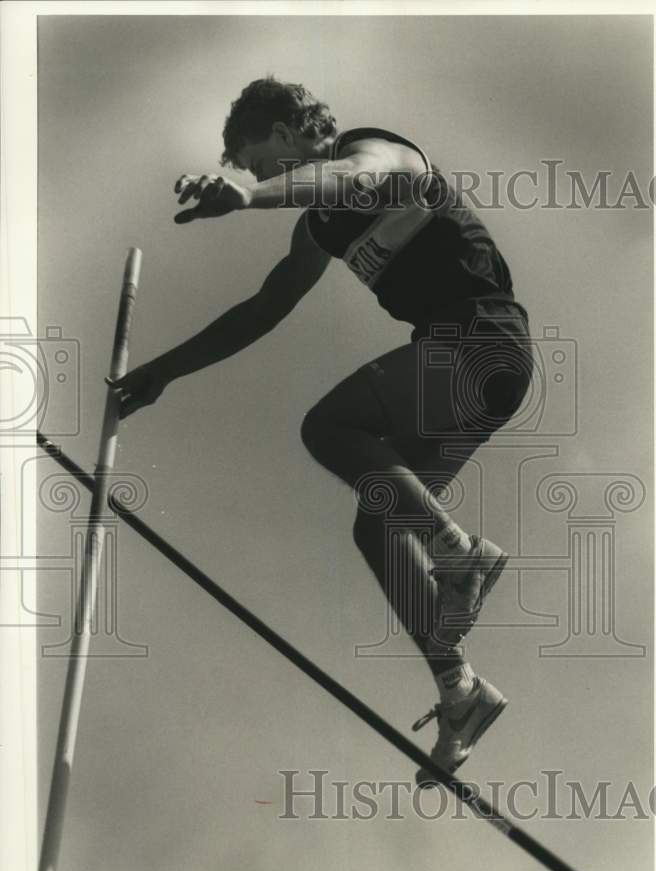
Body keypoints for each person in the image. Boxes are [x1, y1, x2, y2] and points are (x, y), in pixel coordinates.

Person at [109, 77, 534, 786]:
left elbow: (345, 176)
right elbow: (264, 309)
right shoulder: (316, 230)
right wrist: (167, 370)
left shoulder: (374, 152)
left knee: (330, 425)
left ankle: (460, 558)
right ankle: (460, 695)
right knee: (376, 527)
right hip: (473, 376)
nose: (265, 181)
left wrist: (245, 198)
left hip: (480, 342)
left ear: (286, 133)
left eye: (259, 164)